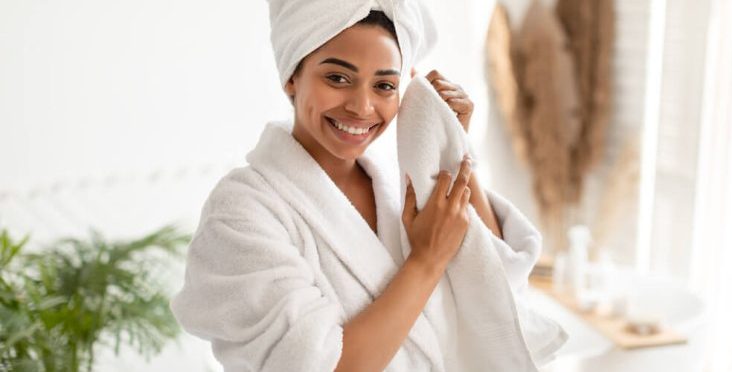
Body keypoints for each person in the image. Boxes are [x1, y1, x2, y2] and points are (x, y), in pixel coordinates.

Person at [171, 2, 564, 371]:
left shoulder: (399, 180)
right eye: (337, 78)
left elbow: (496, 290)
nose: (361, 107)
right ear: (292, 76)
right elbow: (320, 365)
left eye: (384, 86)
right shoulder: (242, 212)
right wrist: (425, 261)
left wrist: (454, 148)